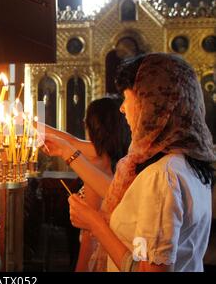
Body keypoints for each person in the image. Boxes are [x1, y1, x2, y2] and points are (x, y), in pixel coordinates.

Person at [42, 53, 215, 271]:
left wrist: (95, 223)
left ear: (150, 104)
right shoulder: (187, 163)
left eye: (127, 98)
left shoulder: (162, 176)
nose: (122, 108)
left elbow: (147, 268)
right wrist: (64, 149)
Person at [40, 96, 131, 271]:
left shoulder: (98, 166)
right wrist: (27, 122)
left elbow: (90, 236)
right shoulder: (120, 156)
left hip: (101, 254)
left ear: (92, 127)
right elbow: (71, 142)